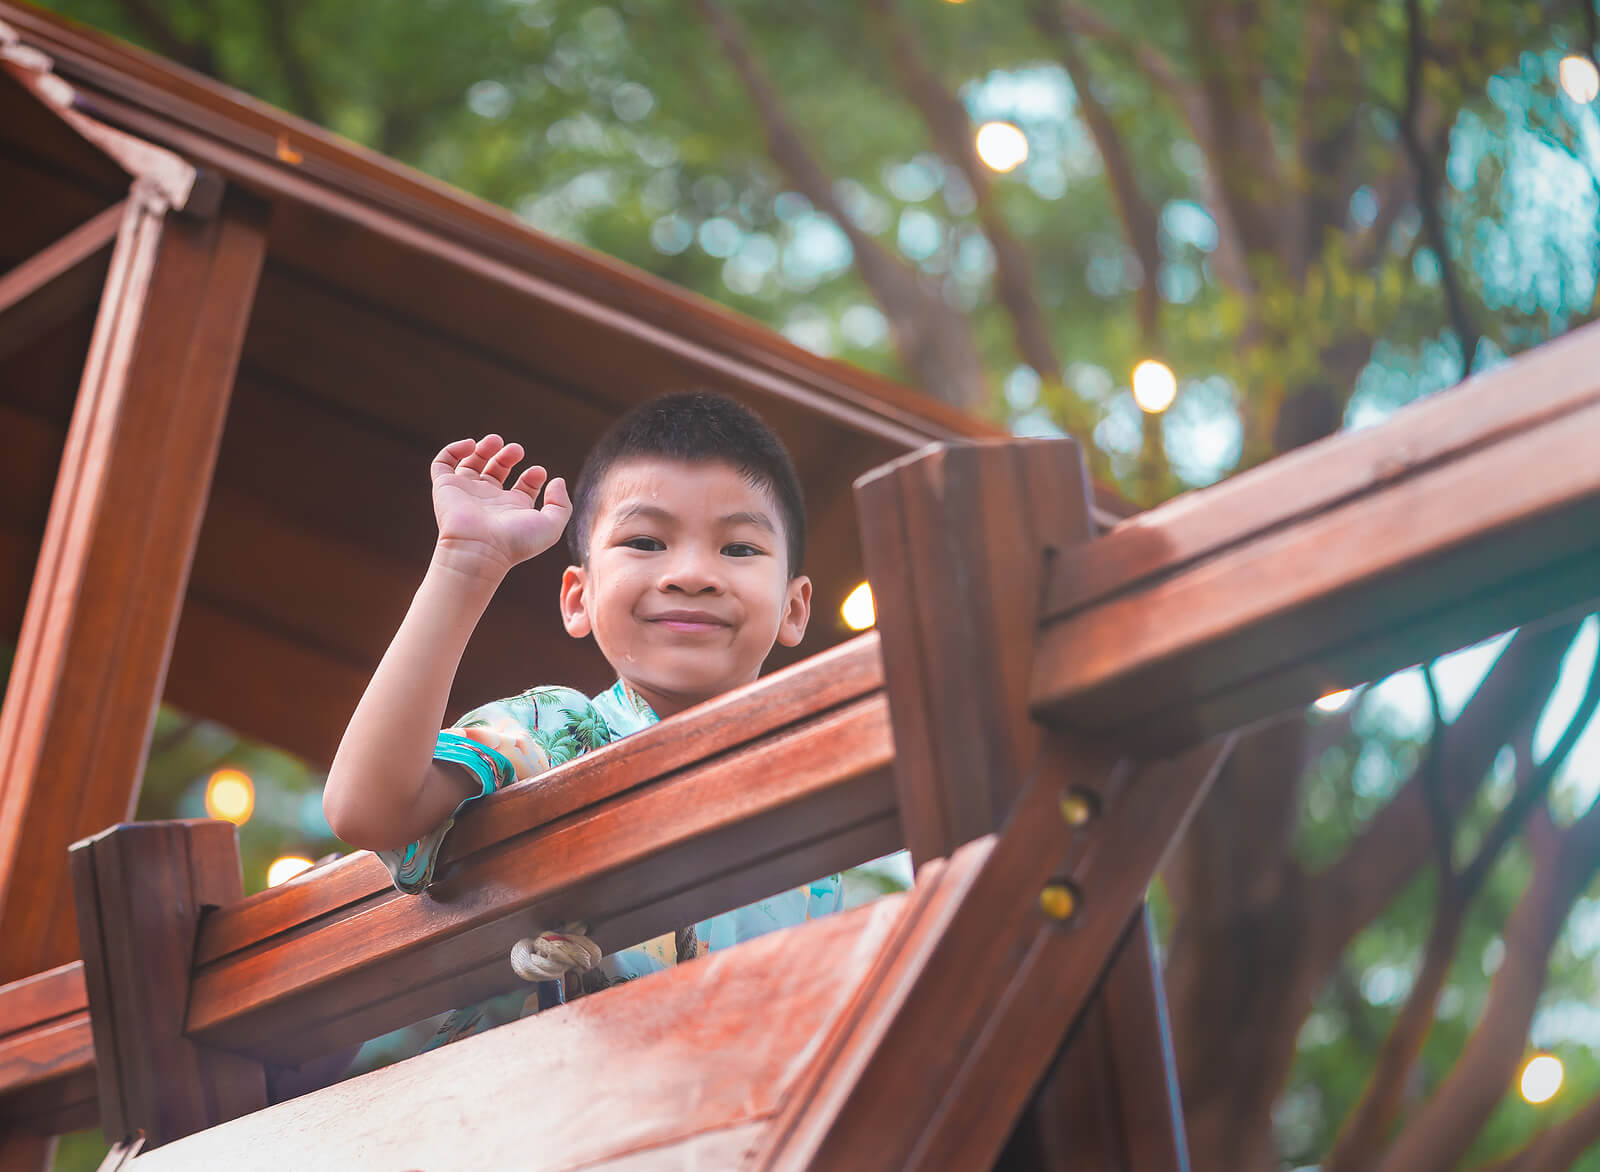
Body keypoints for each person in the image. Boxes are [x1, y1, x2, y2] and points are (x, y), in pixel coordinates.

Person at [322, 390, 840, 1045]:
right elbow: (367, 809)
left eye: (738, 549)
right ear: (579, 598)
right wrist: (467, 564)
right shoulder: (560, 732)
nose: (690, 574)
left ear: (794, 608)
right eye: (646, 540)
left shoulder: (810, 817)